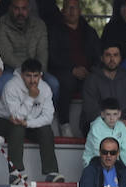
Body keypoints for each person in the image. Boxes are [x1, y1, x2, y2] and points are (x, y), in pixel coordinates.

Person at [0, 58, 63, 185]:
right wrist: (31, 97)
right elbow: (16, 117)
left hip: (27, 125)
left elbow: (48, 118)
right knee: (17, 127)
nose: (32, 80)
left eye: (35, 76)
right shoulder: (11, 86)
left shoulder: (45, 89)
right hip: (2, 121)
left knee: (46, 130)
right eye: (28, 76)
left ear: (40, 75)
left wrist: (28, 124)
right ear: (22, 75)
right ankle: (15, 173)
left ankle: (52, 173)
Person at [47, 0, 100, 134]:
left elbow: (98, 55)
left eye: (74, 8)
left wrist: (90, 71)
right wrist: (72, 69)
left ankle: (89, 125)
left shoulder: (89, 31)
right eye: (68, 8)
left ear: (80, 11)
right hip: (63, 71)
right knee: (67, 82)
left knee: (94, 83)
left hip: (87, 72)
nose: (71, 11)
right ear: (62, 11)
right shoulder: (54, 30)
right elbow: (52, 56)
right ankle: (64, 123)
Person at [80, 44, 126, 135]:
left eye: (115, 55)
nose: (112, 59)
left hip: (124, 125)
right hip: (98, 124)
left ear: (120, 58)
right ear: (102, 58)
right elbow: (90, 112)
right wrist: (118, 123)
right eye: (108, 55)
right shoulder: (92, 79)